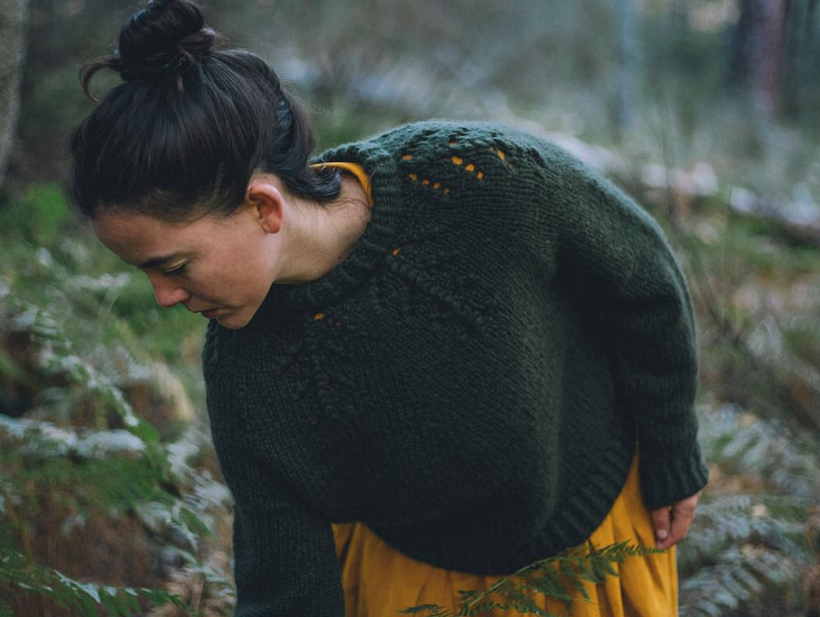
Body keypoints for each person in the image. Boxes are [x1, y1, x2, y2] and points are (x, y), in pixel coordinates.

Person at [71, 1, 709, 615]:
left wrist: (671, 451)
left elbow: (643, 280)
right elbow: (284, 583)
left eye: (174, 266)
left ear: (263, 206)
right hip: (413, 582)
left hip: (596, 542)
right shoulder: (247, 369)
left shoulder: (483, 182)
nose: (163, 297)